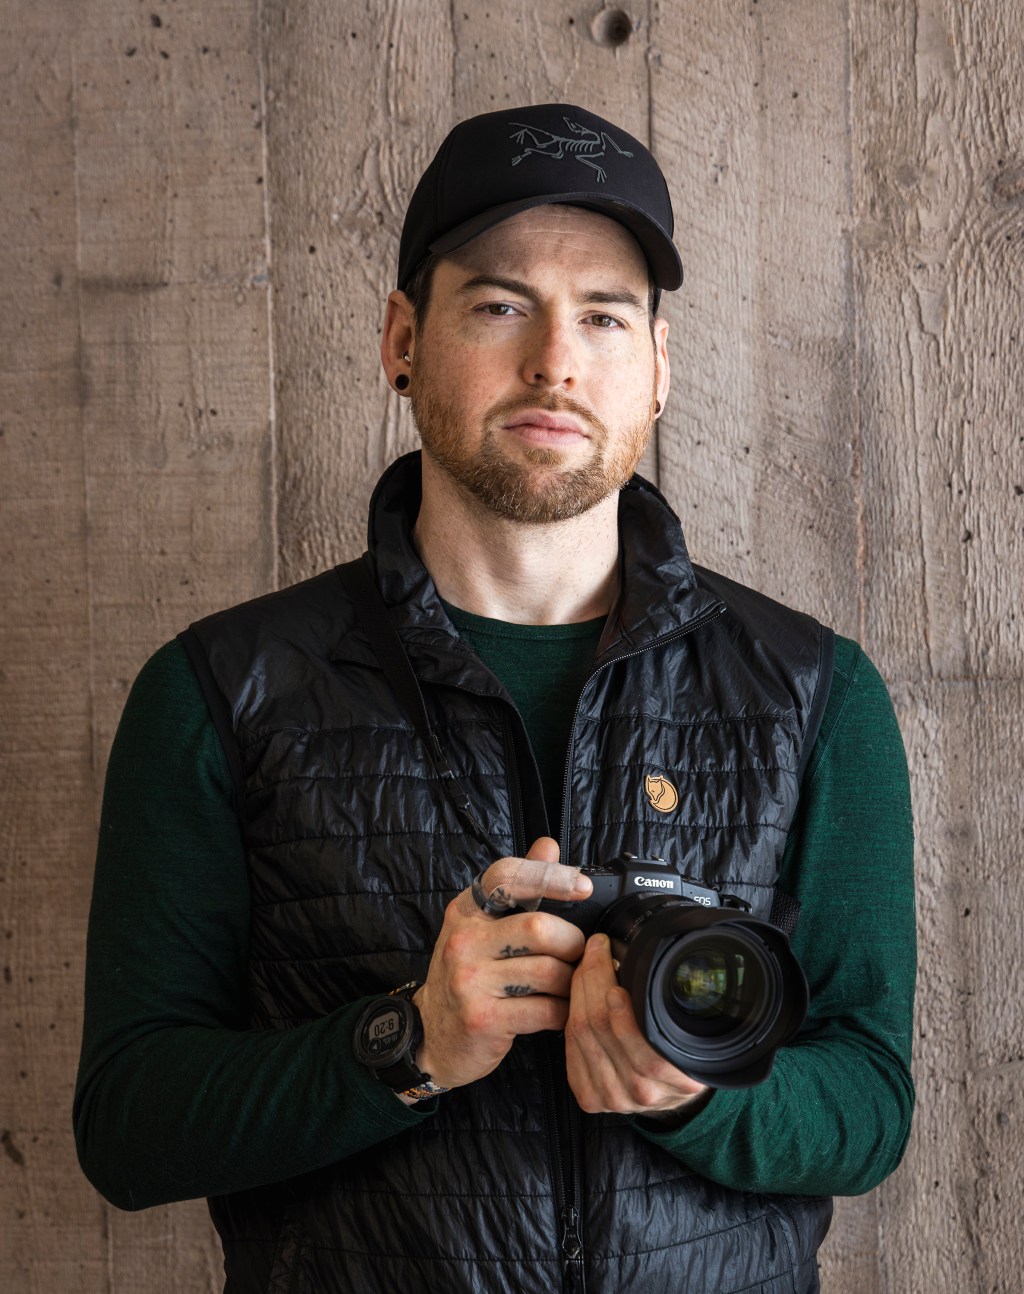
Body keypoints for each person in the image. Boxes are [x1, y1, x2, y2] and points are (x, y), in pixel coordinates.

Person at [74, 103, 915, 1294]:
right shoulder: (218, 692)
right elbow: (127, 1125)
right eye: (499, 305)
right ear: (402, 340)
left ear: (659, 368)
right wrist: (405, 1040)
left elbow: (871, 1103)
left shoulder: (815, 692)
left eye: (603, 315)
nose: (555, 361)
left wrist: (690, 1093)